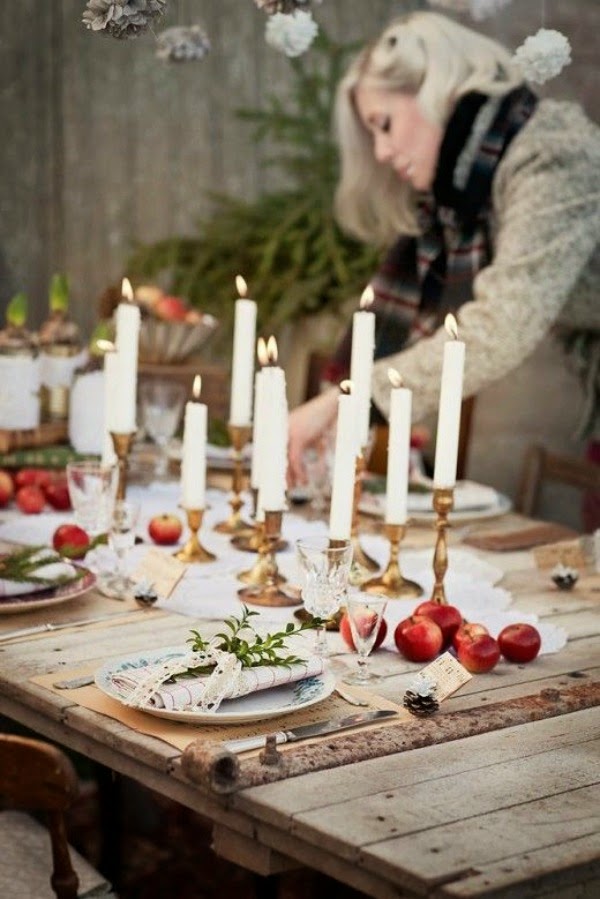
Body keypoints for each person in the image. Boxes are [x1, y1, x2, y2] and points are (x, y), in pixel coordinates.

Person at [287, 11, 600, 489]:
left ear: (437, 90)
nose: (382, 153)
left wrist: (347, 399)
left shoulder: (551, 155)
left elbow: (501, 325)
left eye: (384, 124)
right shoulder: (465, 193)